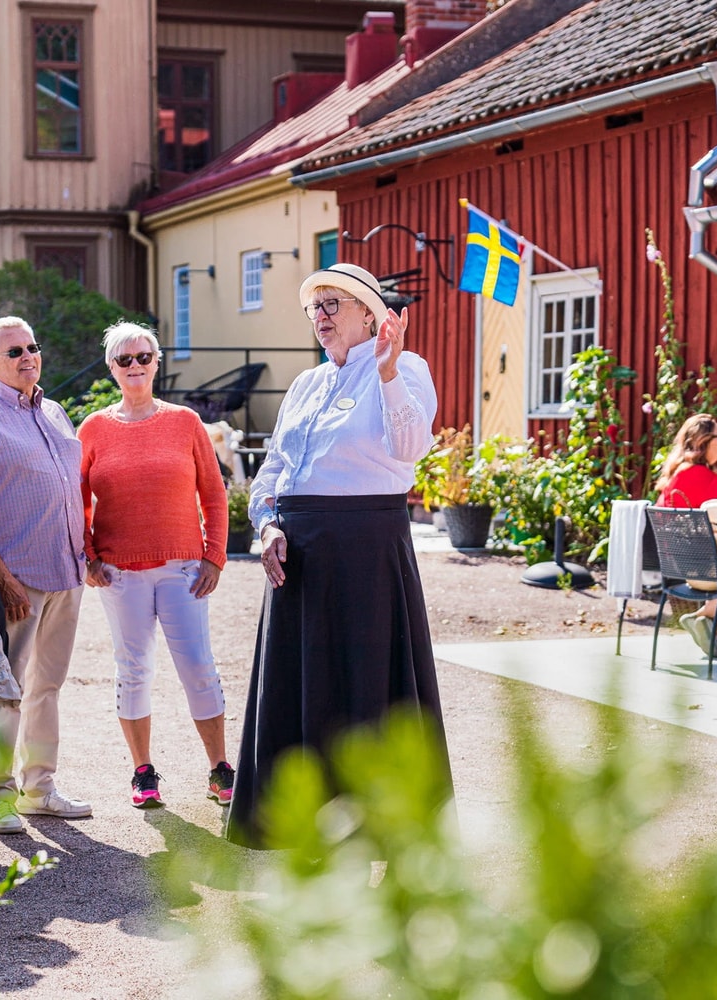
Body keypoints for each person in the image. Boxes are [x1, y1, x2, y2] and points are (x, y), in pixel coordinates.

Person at [226, 262, 452, 849]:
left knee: (365, 687)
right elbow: (273, 470)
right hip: (294, 552)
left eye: (332, 305)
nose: (320, 318)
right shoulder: (304, 385)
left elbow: (410, 452)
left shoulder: (406, 369)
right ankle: (297, 819)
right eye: (314, 309)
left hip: (365, 547)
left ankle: (376, 825)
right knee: (301, 688)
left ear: (369, 313)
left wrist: (387, 374)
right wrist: (267, 524)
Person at [77, 320, 233, 809]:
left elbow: (214, 493)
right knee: (133, 670)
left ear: (157, 362)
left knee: (199, 668)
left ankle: (219, 768)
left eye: (143, 356)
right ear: (112, 368)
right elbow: (76, 501)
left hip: (184, 569)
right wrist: (88, 555)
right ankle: (143, 772)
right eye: (124, 360)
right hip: (120, 573)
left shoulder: (185, 421)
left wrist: (214, 556)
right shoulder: (94, 429)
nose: (135, 366)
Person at [0, 316, 91, 831]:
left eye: (32, 347)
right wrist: (1, 577)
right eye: (14, 351)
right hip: (14, 580)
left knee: (47, 686)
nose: (27, 356)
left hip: (66, 573)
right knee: (2, 689)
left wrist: (86, 552)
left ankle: (41, 787)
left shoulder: (55, 412)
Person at [655, 412, 717, 656]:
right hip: (703, 571)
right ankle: (706, 615)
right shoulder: (706, 479)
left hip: (676, 567)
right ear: (704, 442)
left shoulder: (676, 476)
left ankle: (707, 619)